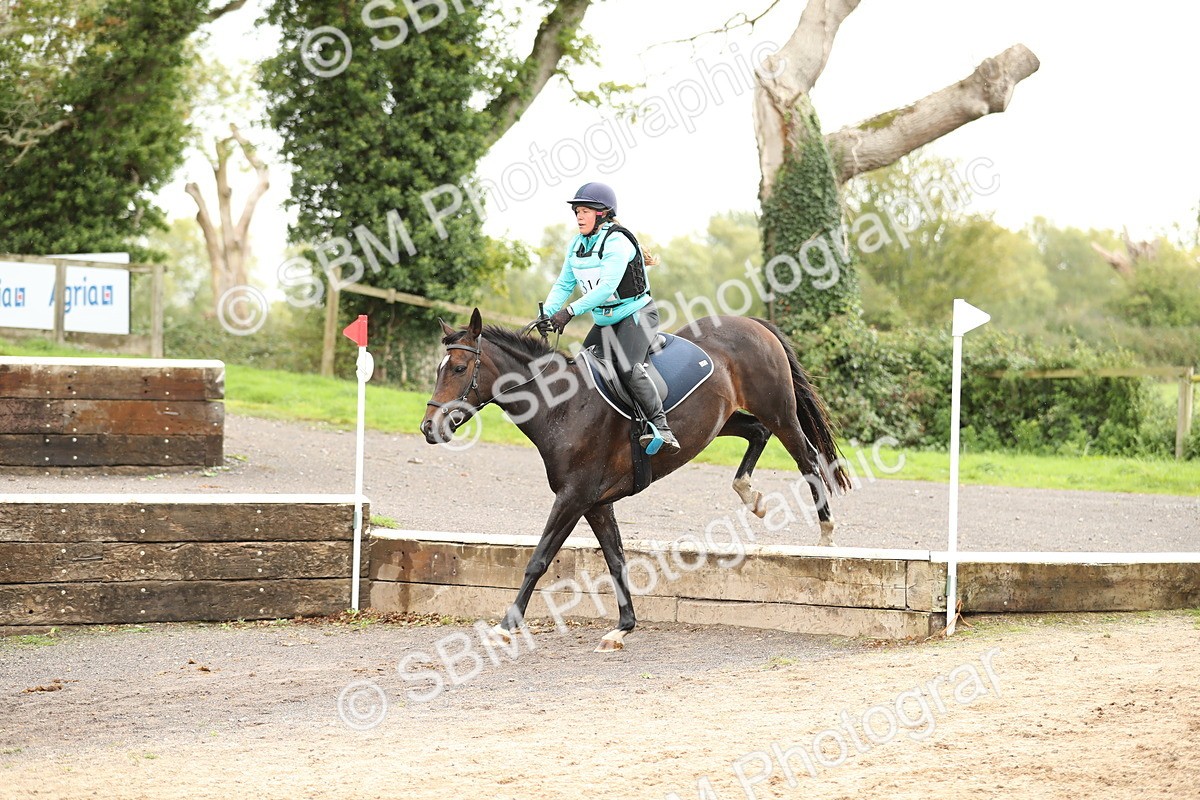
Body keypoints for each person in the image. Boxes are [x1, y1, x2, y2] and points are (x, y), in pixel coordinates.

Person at [540, 181, 681, 454]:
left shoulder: (617, 241)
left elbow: (606, 288)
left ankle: (662, 428)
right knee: (582, 371)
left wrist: (569, 312)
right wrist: (546, 313)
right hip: (606, 321)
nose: (579, 216)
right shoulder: (577, 244)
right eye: (577, 211)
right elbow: (564, 284)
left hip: (637, 315)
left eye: (585, 211)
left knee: (627, 367)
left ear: (602, 213)